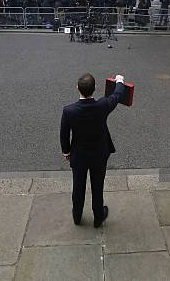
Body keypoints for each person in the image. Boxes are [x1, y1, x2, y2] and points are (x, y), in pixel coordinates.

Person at [60, 73, 126, 227]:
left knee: (78, 185)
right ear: (95, 89)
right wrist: (120, 80)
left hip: (79, 155)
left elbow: (64, 134)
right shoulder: (102, 106)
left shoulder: (69, 111)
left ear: (77, 88)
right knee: (98, 186)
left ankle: (77, 215)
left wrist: (66, 152)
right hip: (99, 154)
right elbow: (117, 95)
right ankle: (98, 216)